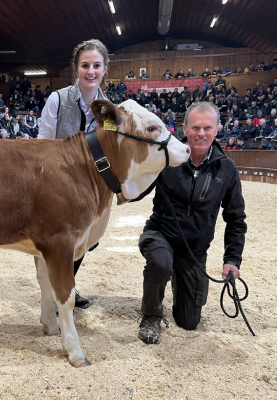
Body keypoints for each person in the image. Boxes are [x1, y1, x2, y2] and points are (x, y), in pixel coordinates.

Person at [136, 102, 247, 344]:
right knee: (160, 261)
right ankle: (151, 314)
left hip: (194, 250)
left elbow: (236, 218)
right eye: (195, 127)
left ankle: (180, 278)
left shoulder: (227, 168)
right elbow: (136, 192)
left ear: (218, 128)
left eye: (208, 127)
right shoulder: (165, 159)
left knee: (189, 322)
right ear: (184, 128)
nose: (201, 133)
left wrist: (232, 259)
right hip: (160, 234)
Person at [37, 39, 109, 309]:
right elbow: (43, 142)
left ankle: (67, 287)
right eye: (85, 65)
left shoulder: (108, 108)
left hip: (91, 185)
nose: (91, 71)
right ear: (76, 68)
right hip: (58, 181)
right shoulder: (58, 98)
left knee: (84, 241)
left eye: (96, 66)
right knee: (60, 240)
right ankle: (59, 294)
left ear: (104, 69)